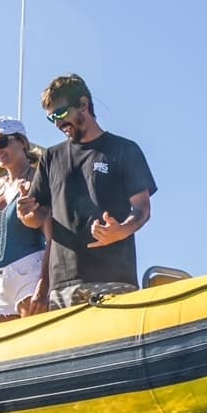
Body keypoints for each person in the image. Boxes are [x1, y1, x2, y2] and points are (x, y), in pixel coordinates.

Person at [17, 75, 157, 310]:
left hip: (114, 280)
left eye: (60, 113)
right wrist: (25, 214)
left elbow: (142, 209)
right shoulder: (50, 157)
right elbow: (38, 216)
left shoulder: (124, 150)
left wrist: (121, 230)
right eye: (51, 118)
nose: (57, 123)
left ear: (83, 104)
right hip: (62, 286)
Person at [0, 117, 48, 321]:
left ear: (22, 142)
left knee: (32, 336)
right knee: (1, 340)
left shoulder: (38, 179)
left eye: (2, 142)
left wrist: (44, 284)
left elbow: (52, 234)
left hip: (29, 271)